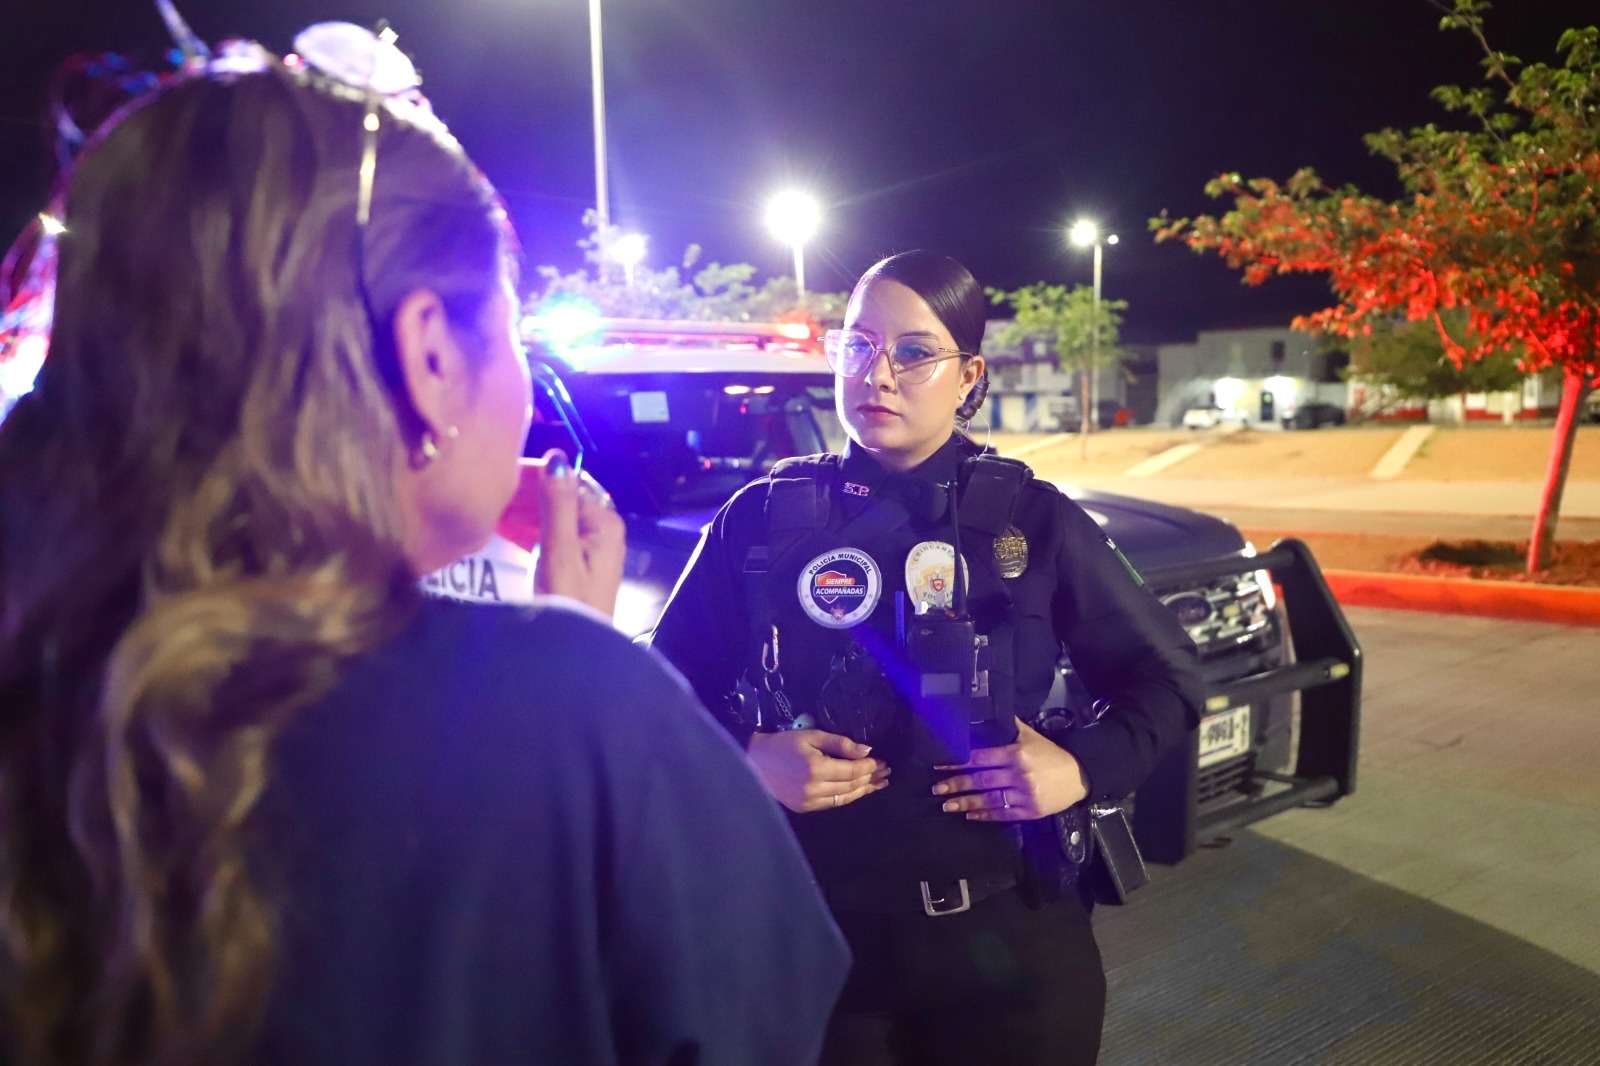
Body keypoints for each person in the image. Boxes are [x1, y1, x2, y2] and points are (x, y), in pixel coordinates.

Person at [0, 34, 846, 1066]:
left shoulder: (50, 680)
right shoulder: (578, 711)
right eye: (512, 332)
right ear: (431, 354)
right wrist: (563, 666)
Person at [650, 250, 1206, 1065]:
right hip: (813, 950)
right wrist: (745, 755)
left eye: (914, 352)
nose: (877, 374)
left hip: (1011, 948)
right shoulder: (759, 520)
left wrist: (1080, 767)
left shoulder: (1034, 522)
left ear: (968, 374)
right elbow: (658, 689)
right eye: (858, 346)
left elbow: (1169, 678)